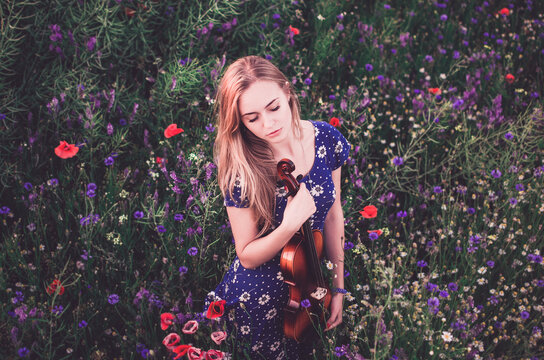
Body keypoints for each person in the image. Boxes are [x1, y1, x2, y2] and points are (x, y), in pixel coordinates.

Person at [205, 55, 350, 359]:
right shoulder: (242, 169)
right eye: (252, 118)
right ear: (240, 121)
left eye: (273, 108)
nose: (268, 124)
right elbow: (246, 257)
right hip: (257, 297)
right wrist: (288, 226)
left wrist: (337, 287)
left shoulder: (324, 138)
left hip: (311, 283)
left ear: (287, 92)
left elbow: (335, 213)